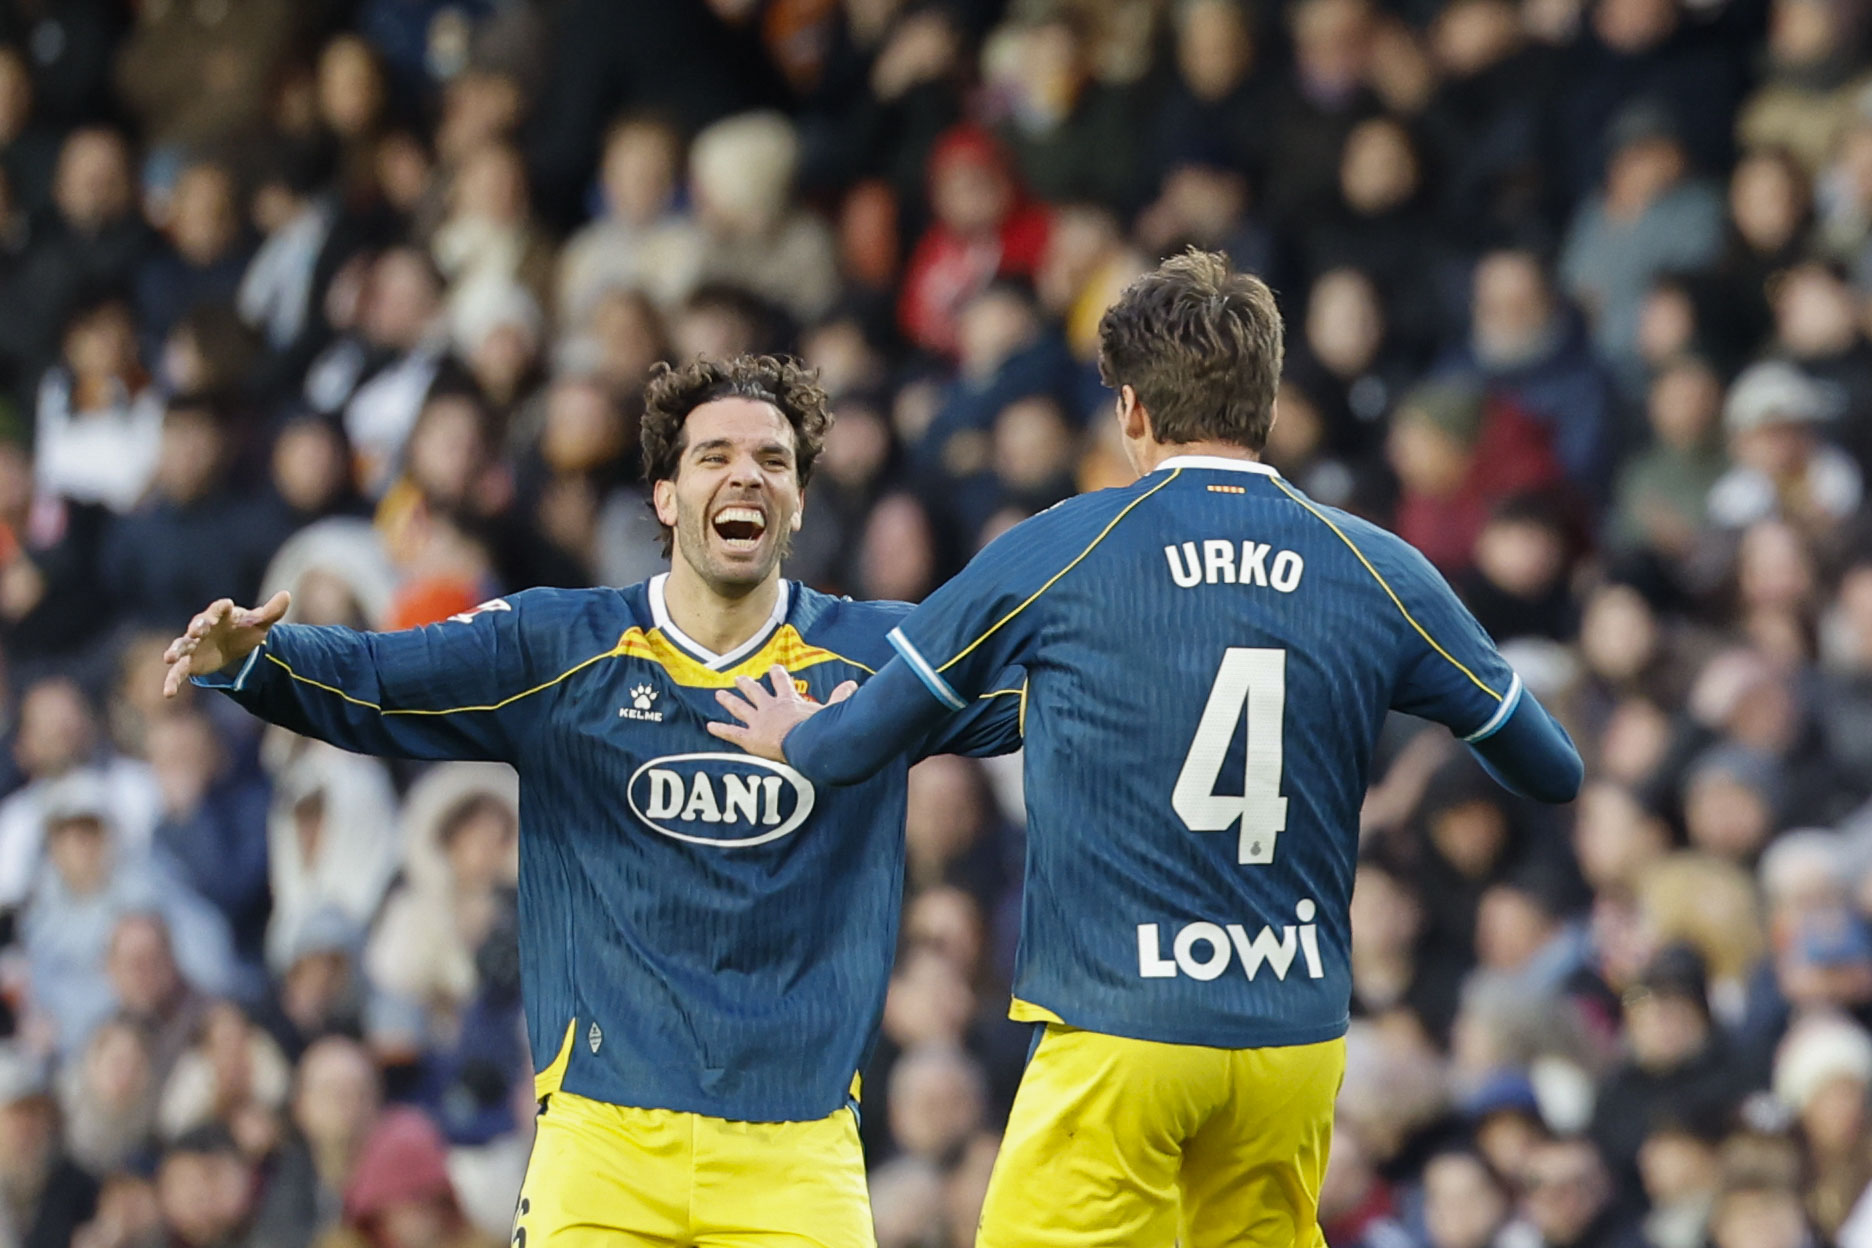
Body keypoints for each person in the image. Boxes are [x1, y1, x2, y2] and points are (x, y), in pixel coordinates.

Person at [710, 250, 1583, 1246]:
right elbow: (1550, 768)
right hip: (1291, 1043)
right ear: (1265, 400)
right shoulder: (1375, 565)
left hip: (1122, 1032)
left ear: (1130, 412)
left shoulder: (1071, 544)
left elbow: (856, 743)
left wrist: (796, 735)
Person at [159, 355, 1023, 1246]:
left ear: (799, 502)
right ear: (665, 497)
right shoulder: (560, 646)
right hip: (604, 1144)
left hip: (798, 1149)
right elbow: (384, 678)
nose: (746, 477)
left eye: (773, 462)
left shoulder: (876, 657)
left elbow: (1046, 700)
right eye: (714, 456)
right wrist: (256, 662)